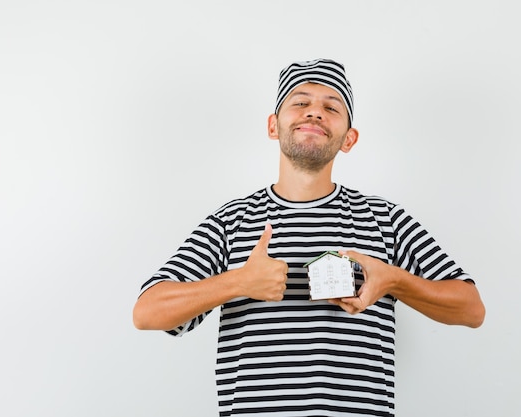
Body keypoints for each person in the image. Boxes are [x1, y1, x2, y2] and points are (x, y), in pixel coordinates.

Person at [132, 58, 485, 417]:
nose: (315, 112)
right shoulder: (230, 222)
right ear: (274, 126)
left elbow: (471, 308)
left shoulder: (386, 219)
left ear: (349, 138)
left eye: (331, 107)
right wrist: (238, 282)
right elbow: (147, 312)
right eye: (300, 102)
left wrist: (394, 280)